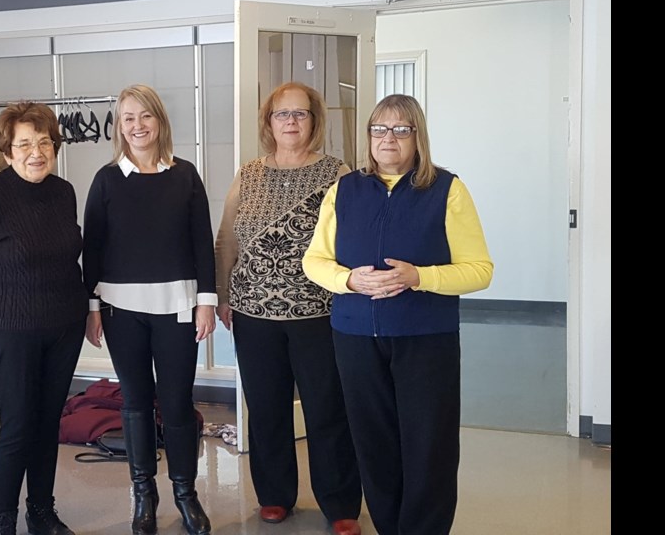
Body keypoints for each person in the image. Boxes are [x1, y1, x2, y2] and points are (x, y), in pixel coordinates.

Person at [303, 94, 494, 535]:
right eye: (379, 129)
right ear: (368, 137)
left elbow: (480, 270)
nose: (388, 138)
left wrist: (419, 277)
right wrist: (349, 280)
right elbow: (315, 261)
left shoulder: (447, 189)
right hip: (354, 337)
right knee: (374, 444)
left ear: (417, 137)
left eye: (400, 130)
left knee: (429, 447)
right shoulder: (345, 189)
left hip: (425, 338)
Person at [214, 82, 364, 535]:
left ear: (315, 122)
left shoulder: (338, 173)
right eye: (283, 114)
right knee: (265, 408)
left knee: (327, 410)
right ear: (269, 123)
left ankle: (339, 504)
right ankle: (274, 496)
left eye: (301, 114)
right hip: (253, 314)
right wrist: (223, 295)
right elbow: (227, 240)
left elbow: (352, 243)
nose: (292, 122)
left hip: (318, 314)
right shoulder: (248, 174)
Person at [83, 84, 216, 535]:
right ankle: (144, 494)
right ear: (119, 127)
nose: (137, 126)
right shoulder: (106, 179)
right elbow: (93, 249)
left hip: (178, 307)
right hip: (121, 310)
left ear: (159, 121)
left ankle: (185, 493)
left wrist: (207, 302)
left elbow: (203, 243)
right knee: (136, 405)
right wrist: (93, 306)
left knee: (177, 403)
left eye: (145, 116)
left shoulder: (185, 175)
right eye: (127, 119)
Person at [0, 102, 87, 535]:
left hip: (63, 325)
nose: (36, 152)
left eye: (44, 142)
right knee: (17, 424)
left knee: (48, 421)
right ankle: (3, 518)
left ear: (55, 146)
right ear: (8, 151)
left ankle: (42, 511)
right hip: (9, 327)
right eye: (25, 144)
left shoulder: (64, 191)